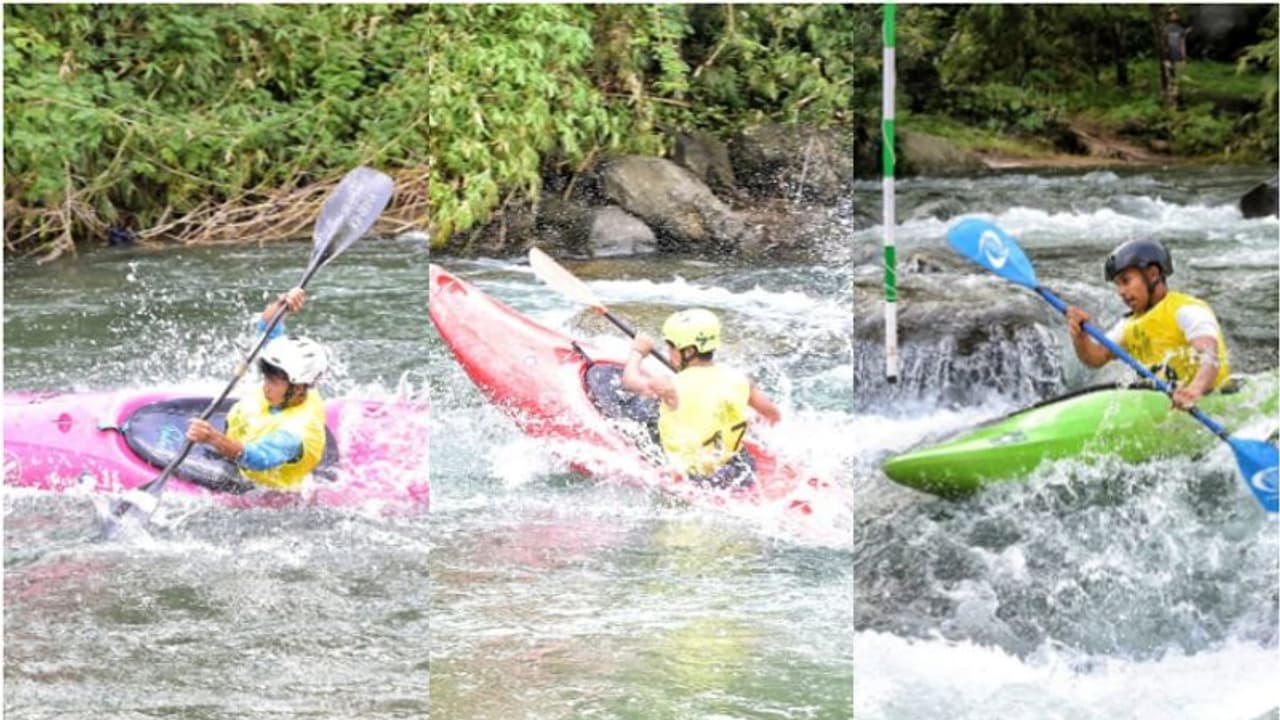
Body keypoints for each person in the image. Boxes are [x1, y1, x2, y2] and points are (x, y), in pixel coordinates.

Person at [185, 287, 329, 491]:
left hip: (263, 487)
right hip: (239, 442)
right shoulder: (291, 380)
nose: (265, 386)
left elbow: (254, 458)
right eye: (266, 378)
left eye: (273, 382)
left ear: (297, 389)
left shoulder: (295, 433)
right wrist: (283, 304)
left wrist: (212, 438)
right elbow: (268, 325)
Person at [621, 308, 781, 489]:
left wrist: (638, 352)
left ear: (688, 351)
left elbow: (629, 381)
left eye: (671, 346)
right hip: (737, 470)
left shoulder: (670, 386)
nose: (668, 351)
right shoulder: (739, 379)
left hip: (691, 477)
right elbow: (773, 416)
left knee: (632, 408)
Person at [1064, 239, 1230, 411]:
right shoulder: (1129, 324)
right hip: (1166, 405)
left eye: (1126, 281)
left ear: (1152, 274)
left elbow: (1210, 355)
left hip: (1209, 400)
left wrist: (1195, 390)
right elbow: (1094, 358)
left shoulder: (1187, 310)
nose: (1121, 291)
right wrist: (1080, 336)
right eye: (1118, 285)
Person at [1162, 10, 1191, 108]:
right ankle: (1169, 100)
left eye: (1176, 14)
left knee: (1177, 79)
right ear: (1169, 16)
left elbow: (1183, 44)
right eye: (1172, 14)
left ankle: (1176, 100)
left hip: (1178, 56)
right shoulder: (1165, 29)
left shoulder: (1181, 30)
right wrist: (1164, 57)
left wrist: (1184, 57)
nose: (1174, 16)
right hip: (1168, 57)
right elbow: (1163, 44)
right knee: (1169, 77)